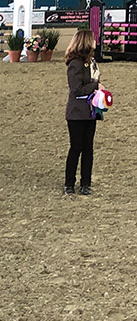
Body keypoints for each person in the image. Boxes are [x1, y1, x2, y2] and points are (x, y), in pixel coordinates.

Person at [64, 28, 104, 196]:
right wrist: (96, 86)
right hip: (76, 113)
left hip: (90, 111)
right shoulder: (75, 64)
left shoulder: (92, 62)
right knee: (76, 147)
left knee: (88, 148)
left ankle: (85, 183)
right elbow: (76, 89)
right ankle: (69, 183)